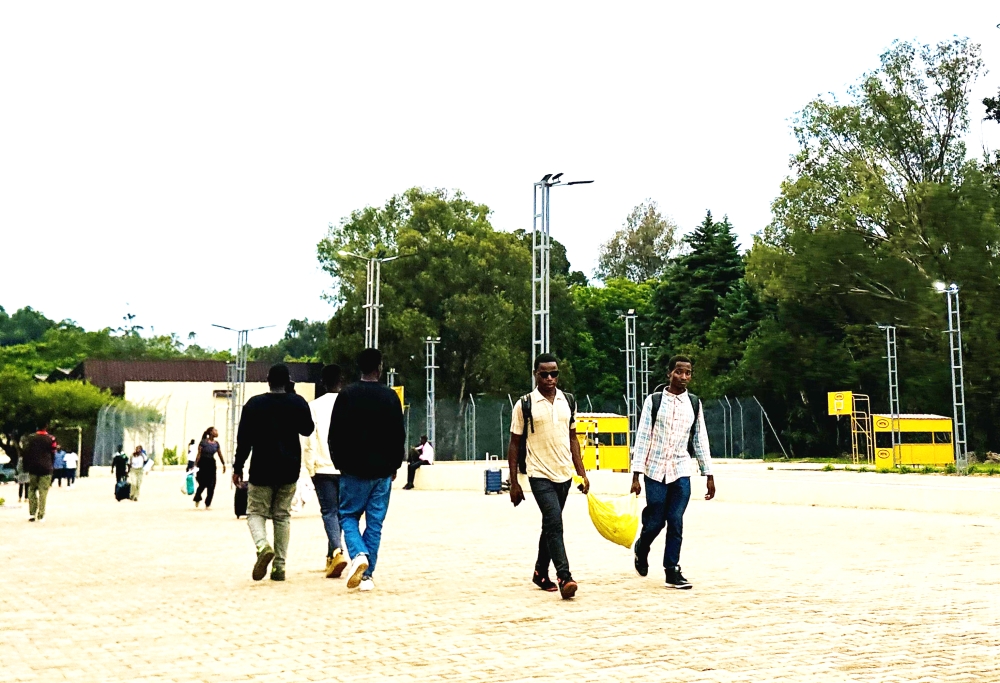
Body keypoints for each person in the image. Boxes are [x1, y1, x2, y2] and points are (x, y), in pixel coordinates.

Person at [630, 355, 716, 590]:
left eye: (688, 373)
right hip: (655, 470)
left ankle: (672, 570)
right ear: (669, 373)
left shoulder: (694, 404)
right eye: (679, 372)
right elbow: (643, 436)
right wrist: (636, 475)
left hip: (680, 469)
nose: (684, 377)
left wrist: (708, 474)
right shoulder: (654, 401)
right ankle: (642, 546)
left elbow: (700, 439)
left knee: (676, 521)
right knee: (656, 521)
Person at [508, 354, 589, 600]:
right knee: (555, 523)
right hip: (538, 473)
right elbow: (514, 444)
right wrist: (514, 482)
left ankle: (540, 572)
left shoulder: (569, 401)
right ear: (535, 374)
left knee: (550, 525)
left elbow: (573, 438)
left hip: (564, 474)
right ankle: (564, 576)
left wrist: (581, 473)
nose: (550, 378)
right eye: (544, 374)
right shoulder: (524, 404)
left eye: (554, 373)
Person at [329, 348, 405, 593]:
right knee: (375, 523)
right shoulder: (391, 397)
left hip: (353, 470)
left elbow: (335, 435)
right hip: (382, 472)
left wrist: (339, 462)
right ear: (379, 367)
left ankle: (358, 554)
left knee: (348, 516)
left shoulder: (346, 395)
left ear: (359, 367)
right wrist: (395, 464)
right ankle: (367, 575)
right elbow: (398, 435)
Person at [232, 364, 314, 582]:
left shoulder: (254, 404)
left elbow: (244, 440)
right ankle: (279, 567)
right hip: (289, 469)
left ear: (267, 380)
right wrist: (293, 395)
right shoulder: (297, 402)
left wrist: (238, 467)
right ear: (288, 381)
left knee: (255, 512)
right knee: (282, 515)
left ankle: (262, 546)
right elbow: (308, 428)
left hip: (262, 469)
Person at [302, 364, 348, 579]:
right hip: (346, 467)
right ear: (342, 380)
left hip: (322, 468)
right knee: (340, 512)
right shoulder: (350, 403)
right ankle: (332, 555)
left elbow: (308, 440)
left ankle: (337, 551)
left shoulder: (313, 406)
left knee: (329, 512)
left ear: (322, 382)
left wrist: (310, 467)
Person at [22, 424, 58, 522]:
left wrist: (26, 466)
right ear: (46, 427)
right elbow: (53, 453)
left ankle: (32, 513)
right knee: (43, 491)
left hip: (33, 467)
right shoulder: (51, 438)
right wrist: (51, 465)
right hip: (46, 468)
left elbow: (25, 452)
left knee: (32, 490)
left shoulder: (30, 438)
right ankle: (41, 515)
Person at [194, 428, 225, 509]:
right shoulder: (203, 442)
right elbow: (199, 454)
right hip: (203, 464)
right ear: (211, 432)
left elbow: (220, 454)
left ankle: (208, 503)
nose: (217, 432)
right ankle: (197, 497)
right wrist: (195, 465)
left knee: (212, 484)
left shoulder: (216, 444)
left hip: (211, 464)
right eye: (215, 431)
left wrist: (223, 464)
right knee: (203, 484)